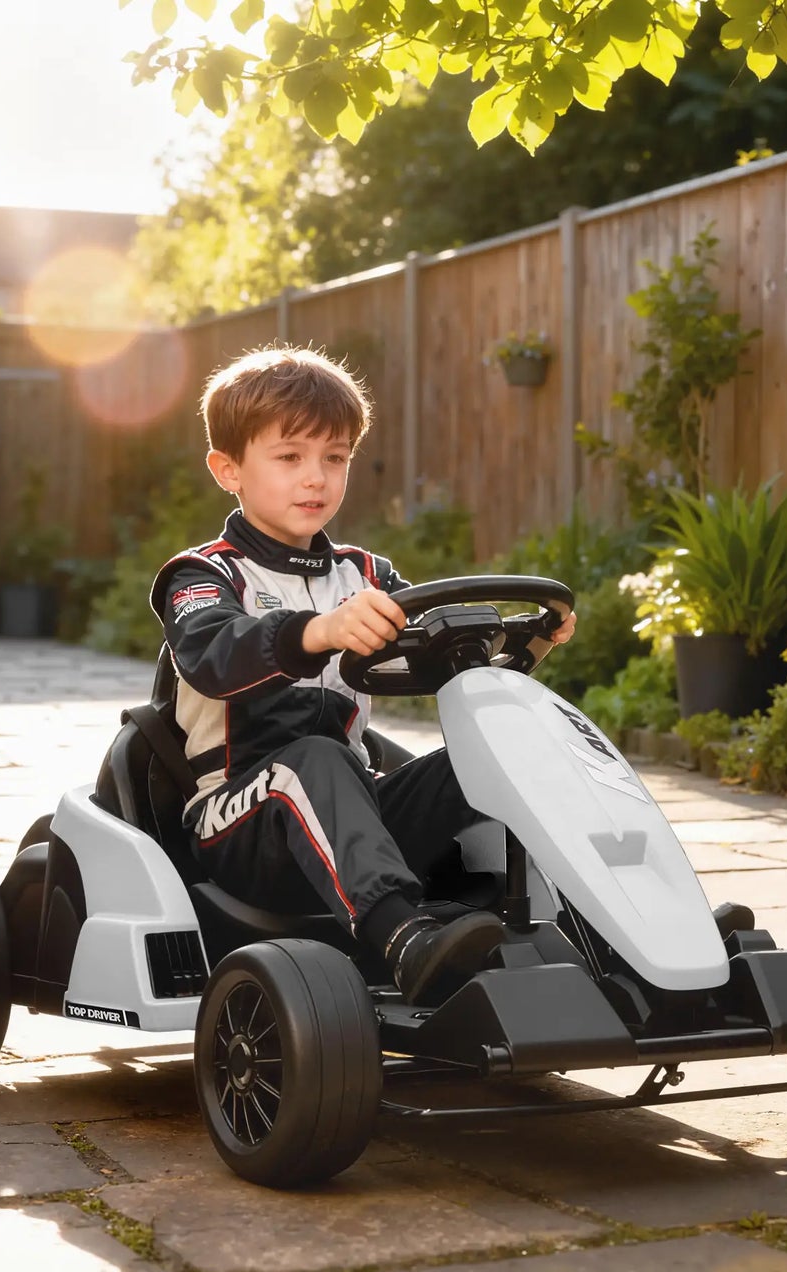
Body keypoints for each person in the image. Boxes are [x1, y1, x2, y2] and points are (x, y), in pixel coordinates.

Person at [151, 346, 576, 1005]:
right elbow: (213, 653)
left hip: (352, 812)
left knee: (498, 747)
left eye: (335, 457)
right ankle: (403, 939)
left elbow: (430, 663)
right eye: (289, 457)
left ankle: (604, 931)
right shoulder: (204, 575)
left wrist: (523, 649)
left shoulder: (367, 576)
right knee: (314, 759)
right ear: (227, 468)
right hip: (237, 825)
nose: (315, 477)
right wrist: (316, 631)